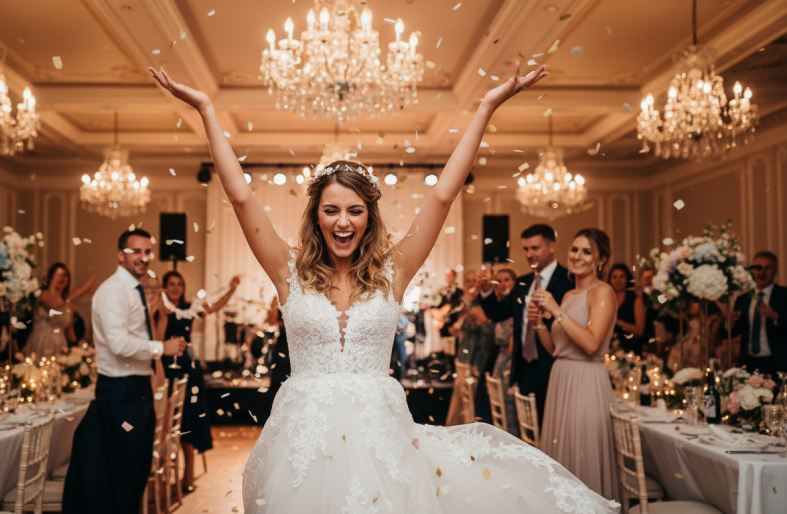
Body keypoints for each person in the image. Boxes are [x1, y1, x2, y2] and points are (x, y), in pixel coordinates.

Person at [152, 63, 616, 513]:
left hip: (381, 435)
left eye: (355, 210)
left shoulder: (395, 268)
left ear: (369, 216)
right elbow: (239, 195)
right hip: (301, 438)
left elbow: (442, 194)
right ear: (316, 215)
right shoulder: (286, 268)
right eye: (331, 210)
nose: (343, 222)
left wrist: (486, 108)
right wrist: (207, 109)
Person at [62, 229, 187, 514]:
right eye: (136, 251)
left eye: (147, 252)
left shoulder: (133, 290)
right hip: (121, 395)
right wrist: (160, 349)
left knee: (137, 468)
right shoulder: (112, 292)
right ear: (121, 255)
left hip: (136, 391)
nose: (143, 258)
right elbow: (117, 343)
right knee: (125, 472)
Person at [531, 228, 619, 502]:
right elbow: (557, 350)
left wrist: (557, 311)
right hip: (562, 378)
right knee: (563, 455)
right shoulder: (569, 296)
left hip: (586, 383)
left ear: (600, 259)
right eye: (575, 250)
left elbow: (592, 344)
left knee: (583, 453)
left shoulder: (602, 292)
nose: (577, 257)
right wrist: (538, 323)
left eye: (587, 251)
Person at [477, 224, 575, 424]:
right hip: (524, 369)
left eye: (535, 248)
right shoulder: (522, 283)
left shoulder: (568, 281)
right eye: (526, 249)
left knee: (553, 428)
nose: (529, 254)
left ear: (551, 247)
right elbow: (498, 312)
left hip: (554, 368)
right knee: (527, 435)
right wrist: (486, 291)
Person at [154, 270, 239, 493]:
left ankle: (188, 475)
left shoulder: (190, 307)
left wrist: (231, 288)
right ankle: (162, 477)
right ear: (164, 287)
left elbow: (216, 306)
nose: (175, 288)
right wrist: (162, 314)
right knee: (165, 421)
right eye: (170, 284)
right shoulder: (159, 310)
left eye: (178, 284)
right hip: (166, 367)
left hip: (188, 368)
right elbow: (157, 340)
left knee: (188, 419)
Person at [445, 271, 493, 426]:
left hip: (480, 353)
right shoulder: (460, 302)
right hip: (465, 352)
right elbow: (451, 323)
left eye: (474, 280)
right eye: (468, 281)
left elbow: (485, 326)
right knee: (462, 393)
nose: (471, 283)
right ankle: (462, 426)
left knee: (474, 393)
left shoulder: (482, 302)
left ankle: (472, 425)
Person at [728, 251, 786, 374]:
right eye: (758, 268)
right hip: (747, 364)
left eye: (767, 268)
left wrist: (776, 317)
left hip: (777, 364)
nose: (762, 272)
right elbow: (729, 333)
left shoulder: (784, 296)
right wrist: (729, 323)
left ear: (776, 271)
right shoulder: (743, 299)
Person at [23, 263, 96, 359]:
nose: (62, 278)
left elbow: (70, 332)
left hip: (60, 346)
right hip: (41, 342)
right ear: (51, 277)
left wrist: (81, 349)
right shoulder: (43, 296)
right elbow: (54, 306)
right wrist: (82, 291)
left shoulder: (69, 305)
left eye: (65, 275)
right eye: (59, 274)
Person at [489, 268, 519, 437]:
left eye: (507, 279)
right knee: (499, 409)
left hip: (511, 364)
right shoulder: (500, 308)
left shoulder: (518, 309)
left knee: (511, 409)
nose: (503, 284)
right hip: (500, 362)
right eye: (499, 281)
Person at [607, 263, 645, 354]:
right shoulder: (607, 299)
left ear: (627, 280)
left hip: (630, 350)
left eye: (622, 277)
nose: (618, 280)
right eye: (614, 277)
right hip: (609, 349)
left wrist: (616, 321)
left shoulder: (635, 299)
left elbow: (639, 331)